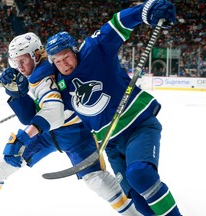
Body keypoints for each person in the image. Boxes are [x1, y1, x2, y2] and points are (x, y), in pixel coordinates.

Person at [0, 32, 142, 216]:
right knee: (6, 162)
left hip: (76, 134)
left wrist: (24, 136)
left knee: (97, 181)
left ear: (36, 55)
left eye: (23, 59)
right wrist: (17, 95)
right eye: (15, 60)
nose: (19, 66)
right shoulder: (37, 72)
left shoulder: (44, 77)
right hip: (47, 134)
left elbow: (54, 112)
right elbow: (29, 116)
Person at [45, 1, 182, 215]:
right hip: (110, 143)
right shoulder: (58, 84)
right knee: (136, 198)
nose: (64, 64)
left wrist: (147, 10)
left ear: (74, 51)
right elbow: (39, 110)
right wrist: (16, 94)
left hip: (138, 126)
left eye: (67, 57)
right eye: (58, 61)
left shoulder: (94, 51)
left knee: (140, 175)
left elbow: (117, 23)